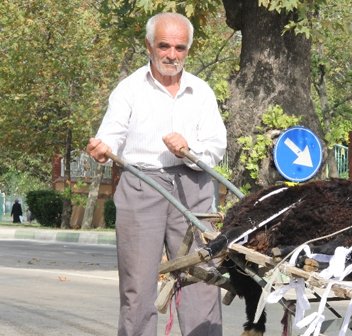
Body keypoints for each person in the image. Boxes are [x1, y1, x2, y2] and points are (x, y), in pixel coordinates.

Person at [86, 12, 226, 336]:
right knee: (138, 288)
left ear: (188, 50)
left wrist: (189, 148)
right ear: (149, 45)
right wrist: (101, 148)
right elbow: (110, 135)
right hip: (141, 185)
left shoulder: (201, 92)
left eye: (180, 48)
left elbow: (216, 146)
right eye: (164, 46)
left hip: (193, 186)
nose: (172, 55)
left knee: (202, 280)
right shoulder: (129, 89)